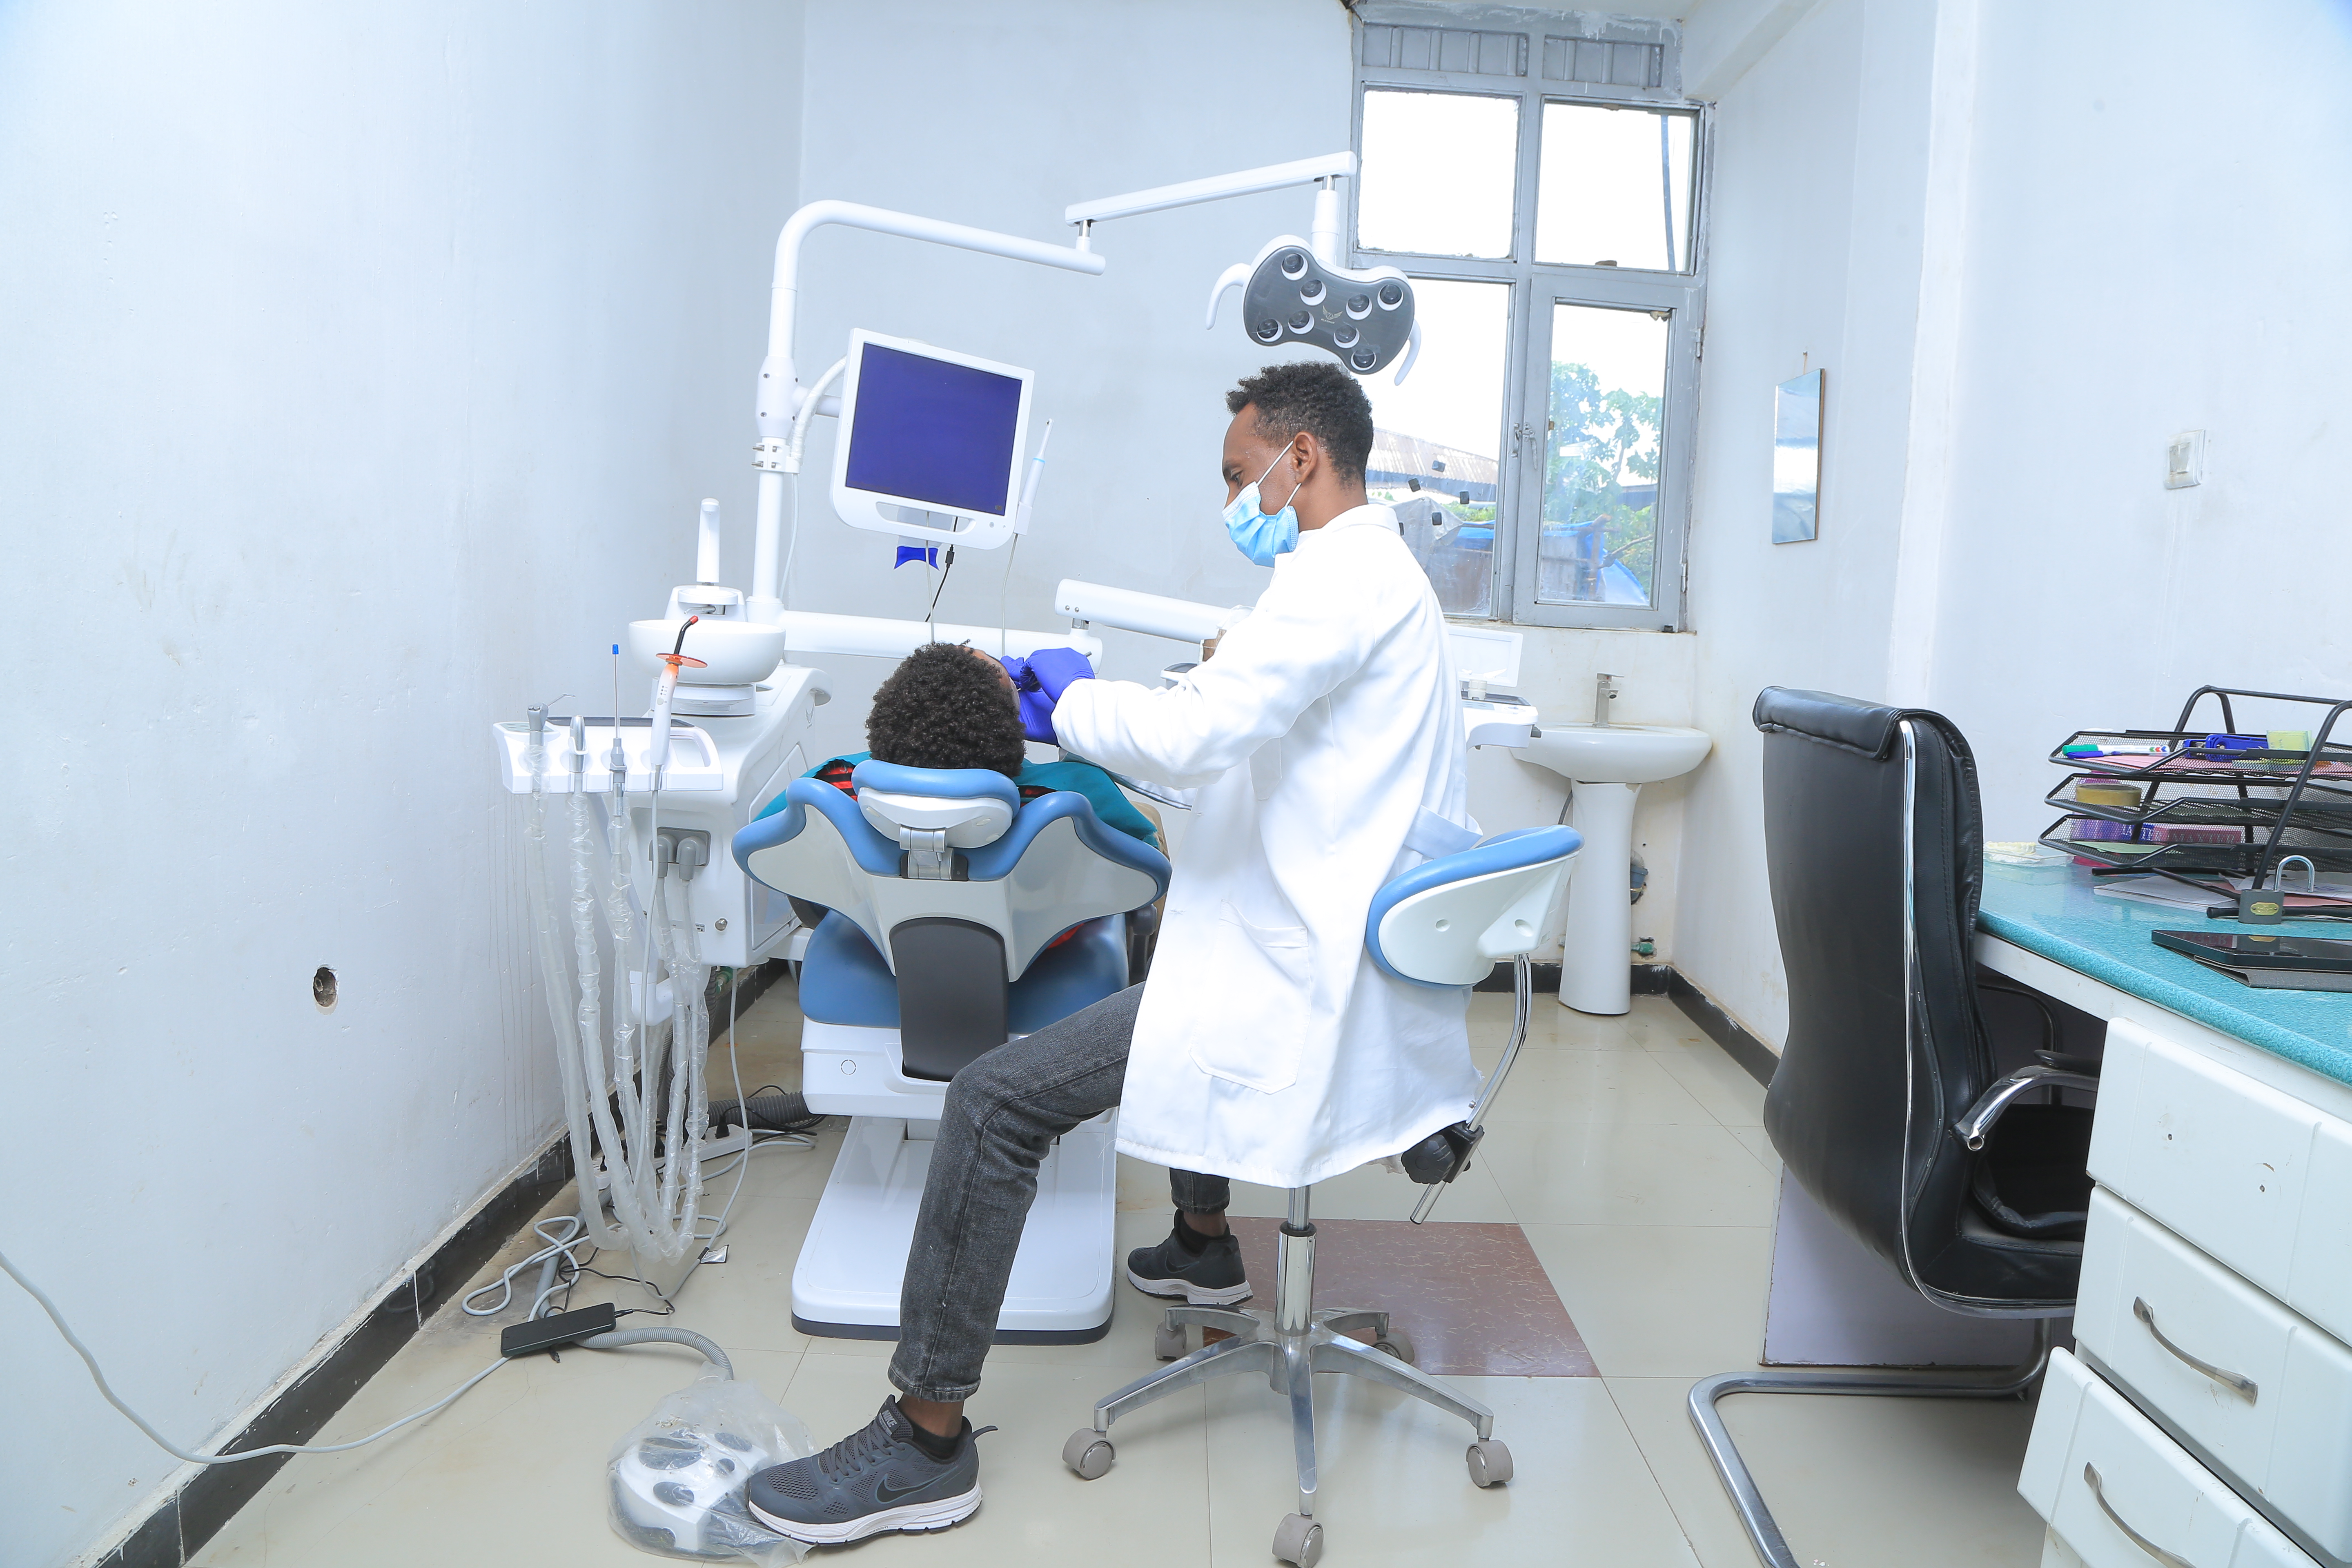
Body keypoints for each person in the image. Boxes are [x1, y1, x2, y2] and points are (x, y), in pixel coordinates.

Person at [746, 360, 1474, 1546]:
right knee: (1149, 924)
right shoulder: (1375, 575)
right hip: (1340, 942)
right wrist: (1110, 702)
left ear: (1302, 458)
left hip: (1303, 984)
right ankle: (1201, 1248)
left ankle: (925, 1439)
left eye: (1242, 476)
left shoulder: (1335, 580)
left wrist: (1069, 703)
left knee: (991, 1101)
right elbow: (1232, 722)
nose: (1234, 500)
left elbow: (1194, 741)